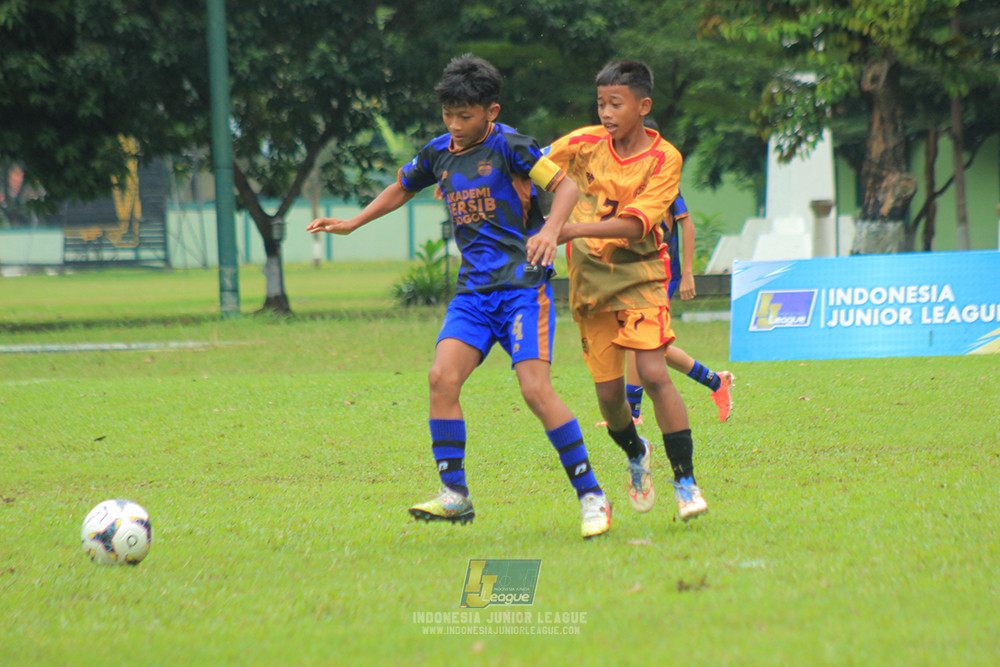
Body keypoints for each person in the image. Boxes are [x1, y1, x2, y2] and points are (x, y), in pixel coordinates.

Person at [307, 54, 612, 538]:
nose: (454, 125)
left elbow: (566, 187)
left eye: (464, 116)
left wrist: (551, 230)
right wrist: (354, 222)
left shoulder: (511, 145)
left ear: (491, 111)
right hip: (473, 294)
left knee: (535, 391)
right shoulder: (438, 152)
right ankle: (455, 495)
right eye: (448, 114)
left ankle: (591, 495)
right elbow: (401, 187)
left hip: (522, 290)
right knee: (441, 378)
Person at [545, 59, 708, 521]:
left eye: (616, 104)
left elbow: (637, 225)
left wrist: (570, 229)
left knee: (654, 372)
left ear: (643, 106)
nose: (606, 113)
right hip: (590, 286)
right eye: (601, 104)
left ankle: (686, 484)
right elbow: (529, 165)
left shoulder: (664, 158)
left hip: (642, 277)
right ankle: (637, 452)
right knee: (611, 400)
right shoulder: (582, 143)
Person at [604, 187, 735, 427]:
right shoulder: (625, 181)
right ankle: (716, 381)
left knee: (637, 336)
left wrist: (687, 273)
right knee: (652, 347)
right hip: (636, 274)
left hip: (661, 275)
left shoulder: (663, 180)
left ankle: (633, 414)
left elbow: (687, 225)